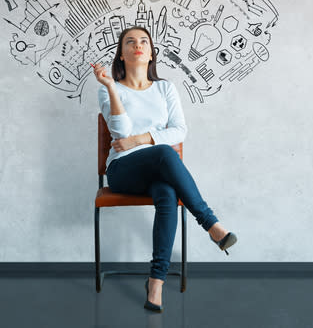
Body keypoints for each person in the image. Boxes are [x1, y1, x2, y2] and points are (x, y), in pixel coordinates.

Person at [92, 26, 237, 313]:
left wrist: (140, 139)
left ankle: (156, 281)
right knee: (163, 152)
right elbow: (119, 132)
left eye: (144, 41)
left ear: (151, 52)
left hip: (159, 170)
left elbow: (180, 131)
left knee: (168, 193)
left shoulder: (165, 88)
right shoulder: (108, 89)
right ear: (121, 54)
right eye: (130, 42)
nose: (138, 45)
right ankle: (210, 223)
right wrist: (111, 87)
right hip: (123, 171)